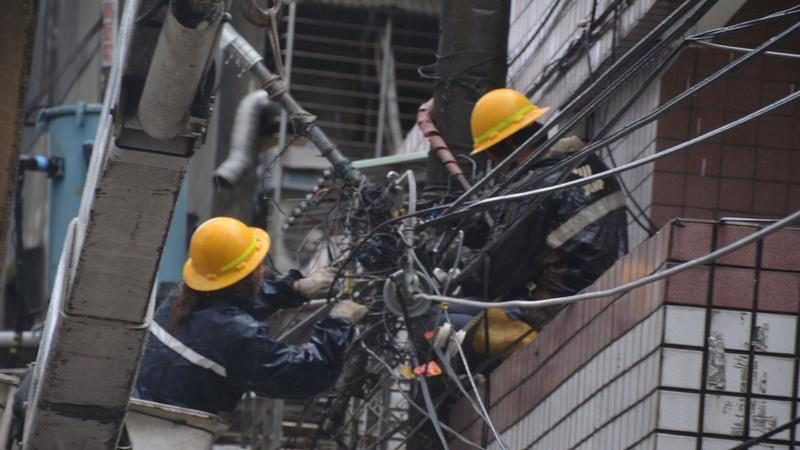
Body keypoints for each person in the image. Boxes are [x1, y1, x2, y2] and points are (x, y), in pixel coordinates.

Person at [135, 216, 368, 415]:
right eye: (256, 266)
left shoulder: (181, 297)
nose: (263, 270)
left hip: (138, 413)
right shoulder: (239, 335)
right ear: (242, 278)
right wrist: (340, 322)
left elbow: (225, 307)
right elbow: (310, 373)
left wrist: (295, 288)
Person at [463, 87, 629, 330]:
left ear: (503, 148)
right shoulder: (589, 162)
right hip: (606, 298)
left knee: (441, 321)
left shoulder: (536, 187)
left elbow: (496, 275)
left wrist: (461, 264)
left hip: (554, 313)